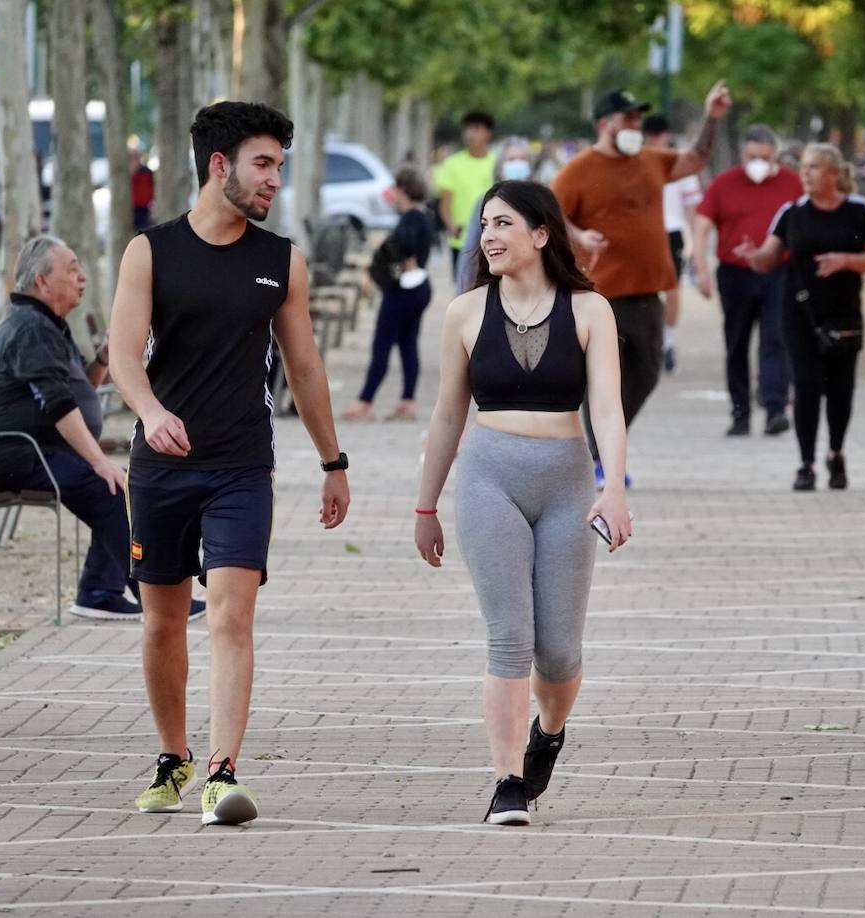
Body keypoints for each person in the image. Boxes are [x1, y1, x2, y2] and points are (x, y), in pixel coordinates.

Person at [107, 101, 351, 826]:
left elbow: (304, 369)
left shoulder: (281, 262)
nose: (275, 179)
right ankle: (173, 755)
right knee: (162, 623)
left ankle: (221, 773)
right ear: (221, 166)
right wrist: (150, 414)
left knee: (232, 617)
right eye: (264, 164)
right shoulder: (150, 252)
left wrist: (333, 460)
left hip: (243, 465)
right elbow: (122, 355)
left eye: (279, 165)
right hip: (162, 469)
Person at [413, 180, 630, 826]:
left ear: (541, 234)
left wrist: (612, 487)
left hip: (566, 481)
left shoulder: (590, 311)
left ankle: (549, 733)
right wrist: (425, 507)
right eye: (485, 225)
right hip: (489, 478)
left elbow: (609, 410)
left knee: (559, 651)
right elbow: (448, 415)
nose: (489, 237)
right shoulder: (465, 312)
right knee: (510, 637)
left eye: (504, 224)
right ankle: (507, 780)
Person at [0, 236, 187, 622]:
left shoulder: (47, 323)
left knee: (119, 487)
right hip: (23, 454)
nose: (82, 277)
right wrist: (98, 462)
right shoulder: (28, 327)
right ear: (42, 281)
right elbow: (58, 405)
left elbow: (79, 391)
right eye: (72, 268)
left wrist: (104, 358)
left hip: (48, 449)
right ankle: (152, 596)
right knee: (109, 487)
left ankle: (99, 591)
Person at [552, 81, 732, 487]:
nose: (636, 123)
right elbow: (550, 214)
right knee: (599, 379)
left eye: (637, 117)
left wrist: (711, 117)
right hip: (600, 294)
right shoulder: (579, 169)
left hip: (648, 290)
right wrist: (579, 235)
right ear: (604, 123)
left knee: (647, 373)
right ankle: (600, 459)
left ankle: (600, 445)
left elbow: (696, 158)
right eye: (627, 117)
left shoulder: (652, 160)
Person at [736, 143, 865, 491]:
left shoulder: (859, 211)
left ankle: (835, 453)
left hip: (844, 312)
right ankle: (805, 463)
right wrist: (753, 257)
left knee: (841, 388)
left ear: (834, 173)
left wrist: (846, 260)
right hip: (799, 312)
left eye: (814, 167)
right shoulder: (792, 213)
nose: (805, 174)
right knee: (805, 386)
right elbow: (768, 257)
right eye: (804, 167)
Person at [692, 124, 802, 437]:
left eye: (765, 157)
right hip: (734, 274)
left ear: (775, 156)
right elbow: (701, 226)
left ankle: (775, 408)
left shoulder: (791, 184)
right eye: (753, 156)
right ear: (743, 154)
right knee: (736, 343)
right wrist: (700, 269)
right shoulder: (724, 184)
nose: (759, 163)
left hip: (778, 273)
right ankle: (740, 412)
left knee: (775, 340)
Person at [341, 167, 436, 422]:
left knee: (382, 344)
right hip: (420, 288)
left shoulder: (410, 219)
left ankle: (365, 402)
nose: (391, 195)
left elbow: (405, 243)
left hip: (403, 290)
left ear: (402, 190)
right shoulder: (424, 216)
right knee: (408, 344)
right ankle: (407, 401)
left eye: (394, 190)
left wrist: (398, 256)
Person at [642, 115, 704, 374]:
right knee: (643, 291)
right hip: (644, 234)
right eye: (652, 136)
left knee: (672, 289)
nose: (657, 140)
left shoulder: (679, 164)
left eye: (660, 135)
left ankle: (667, 343)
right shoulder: (638, 163)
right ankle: (650, 341)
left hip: (671, 231)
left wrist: (693, 240)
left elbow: (692, 208)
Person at [455, 138, 535, 294]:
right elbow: (470, 251)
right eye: (511, 160)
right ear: (500, 166)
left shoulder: (541, 202)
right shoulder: (485, 202)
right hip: (495, 287)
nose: (517, 164)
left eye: (522, 159)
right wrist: (462, 293)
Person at [436, 112, 496, 285]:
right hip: (461, 242)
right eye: (467, 129)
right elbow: (445, 204)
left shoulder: (496, 162)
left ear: (488, 133)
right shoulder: (452, 164)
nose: (470, 134)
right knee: (464, 289)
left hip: (492, 238)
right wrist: (452, 227)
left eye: (476, 129)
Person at [129, 144, 155, 231]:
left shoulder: (146, 172)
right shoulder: (126, 174)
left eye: (136, 157)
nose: (134, 160)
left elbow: (152, 190)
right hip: (131, 209)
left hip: (143, 209)